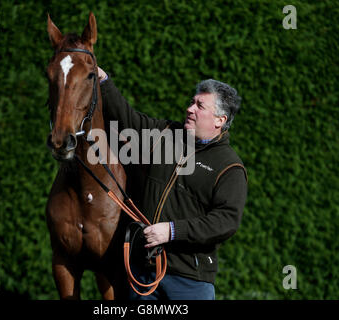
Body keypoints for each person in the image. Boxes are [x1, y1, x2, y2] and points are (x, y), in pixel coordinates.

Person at [97, 66, 248, 300]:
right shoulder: (167, 134)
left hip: (190, 281)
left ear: (220, 120)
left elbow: (225, 221)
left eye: (200, 106)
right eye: (191, 102)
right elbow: (128, 120)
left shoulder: (230, 167)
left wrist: (172, 231)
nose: (189, 109)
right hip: (144, 275)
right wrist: (104, 81)